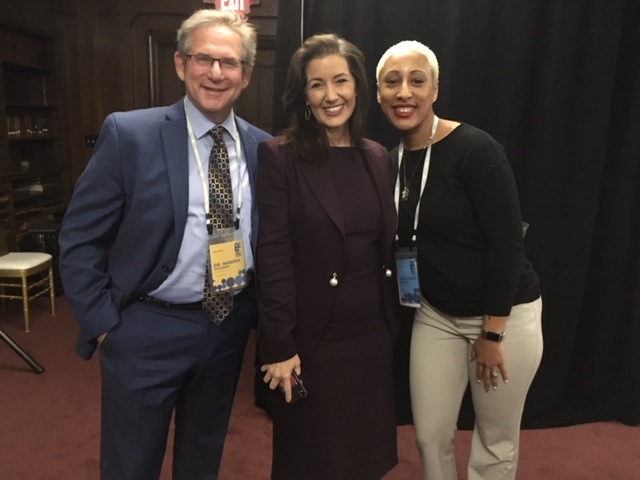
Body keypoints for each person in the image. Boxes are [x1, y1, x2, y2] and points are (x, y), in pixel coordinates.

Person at [58, 9, 270, 480]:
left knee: (202, 458)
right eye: (204, 59)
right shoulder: (130, 134)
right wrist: (106, 326)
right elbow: (79, 238)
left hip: (226, 326)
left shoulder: (264, 149)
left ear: (246, 75)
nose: (216, 73)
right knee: (131, 465)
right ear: (180, 64)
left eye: (229, 63)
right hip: (144, 329)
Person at [376, 40, 543, 480]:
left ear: (435, 90)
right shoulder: (388, 163)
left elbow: (508, 244)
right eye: (392, 82)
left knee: (495, 438)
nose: (404, 92)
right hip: (437, 316)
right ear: (378, 93)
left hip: (503, 317)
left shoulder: (476, 149)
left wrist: (493, 331)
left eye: (417, 80)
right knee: (430, 436)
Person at [256, 34, 399, 480]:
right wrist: (279, 344)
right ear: (303, 95)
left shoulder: (377, 156)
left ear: (358, 86)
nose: (331, 95)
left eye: (341, 81)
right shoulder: (279, 156)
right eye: (317, 85)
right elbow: (273, 254)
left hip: (372, 337)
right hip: (311, 343)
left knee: (363, 454)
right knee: (312, 458)